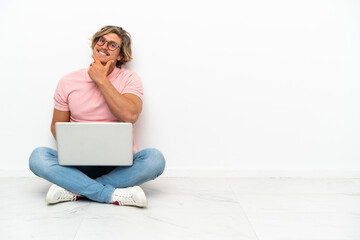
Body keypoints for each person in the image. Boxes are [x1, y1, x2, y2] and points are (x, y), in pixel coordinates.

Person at [29, 26, 165, 208]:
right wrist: (77, 148)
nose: (104, 46)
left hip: (119, 164)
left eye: (112, 45)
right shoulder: (67, 81)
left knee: (155, 160)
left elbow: (130, 115)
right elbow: (57, 128)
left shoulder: (130, 79)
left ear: (120, 56)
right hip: (77, 163)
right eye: (101, 41)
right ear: (94, 44)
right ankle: (108, 193)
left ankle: (74, 189)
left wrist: (101, 79)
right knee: (38, 157)